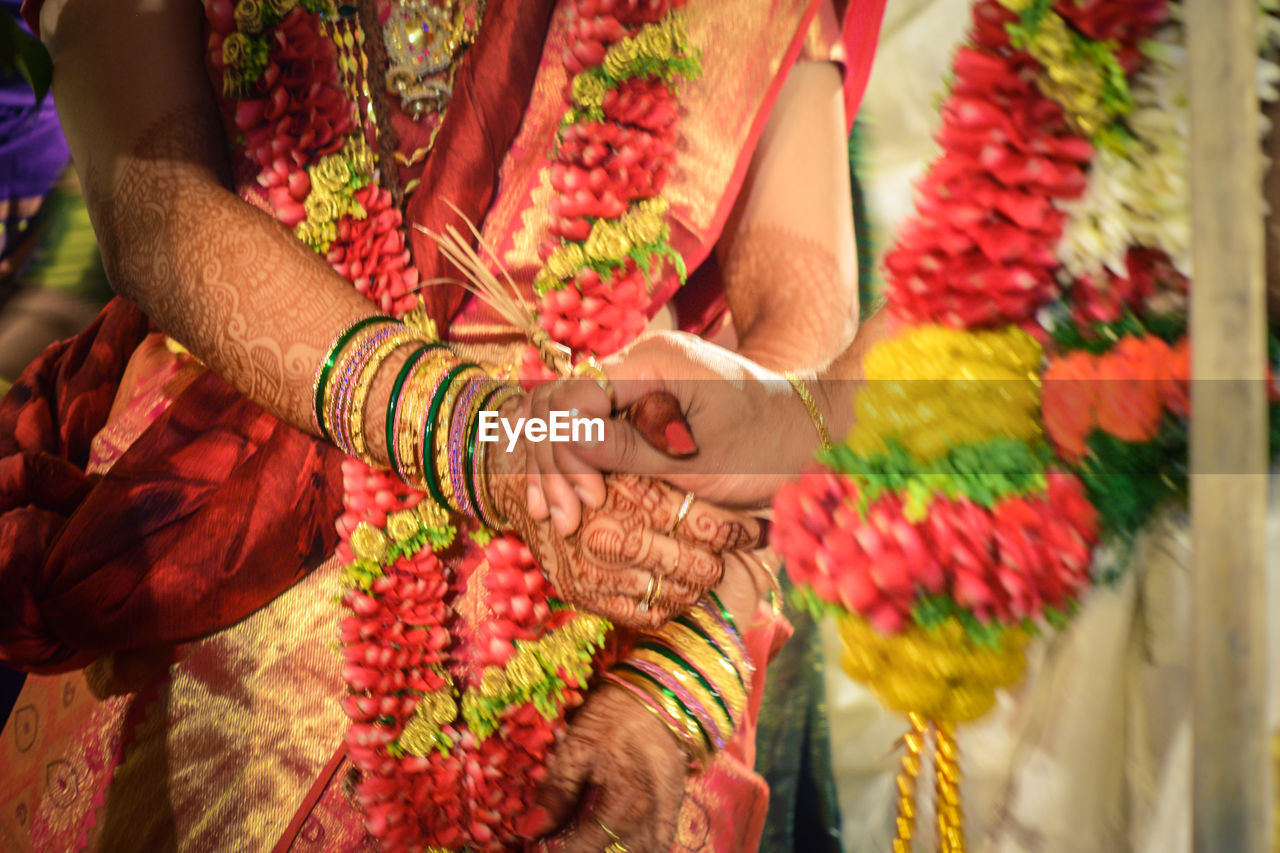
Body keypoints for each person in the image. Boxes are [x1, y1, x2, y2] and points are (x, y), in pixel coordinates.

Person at [0, 1, 888, 851]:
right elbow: (150, 207)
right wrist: (482, 439)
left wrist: (679, 674)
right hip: (235, 572)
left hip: (612, 593)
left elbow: (803, 334)